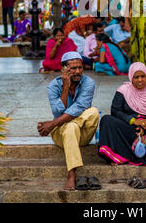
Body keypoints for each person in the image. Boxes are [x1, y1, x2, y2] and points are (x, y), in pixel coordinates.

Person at [37, 51, 99, 190]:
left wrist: (51, 124)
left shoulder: (88, 83)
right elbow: (57, 112)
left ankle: (69, 126)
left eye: (80, 67)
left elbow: (79, 108)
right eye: (73, 68)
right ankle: (71, 175)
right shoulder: (54, 86)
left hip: (82, 134)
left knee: (93, 112)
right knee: (71, 128)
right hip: (61, 134)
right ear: (64, 69)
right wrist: (65, 87)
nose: (78, 71)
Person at [98, 62, 146, 166]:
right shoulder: (123, 91)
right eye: (136, 77)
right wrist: (133, 121)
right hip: (129, 127)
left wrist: (145, 124)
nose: (140, 80)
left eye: (142, 76)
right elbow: (115, 111)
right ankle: (120, 156)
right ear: (131, 77)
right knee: (106, 120)